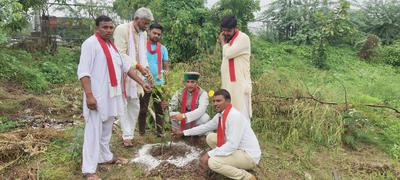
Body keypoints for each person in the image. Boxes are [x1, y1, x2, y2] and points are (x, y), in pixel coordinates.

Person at [77, 15, 151, 180]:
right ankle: (89, 170)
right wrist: (89, 96)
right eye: (105, 27)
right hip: (97, 96)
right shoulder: (90, 44)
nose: (109, 30)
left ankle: (106, 157)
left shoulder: (112, 46)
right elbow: (83, 72)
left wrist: (142, 82)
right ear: (97, 28)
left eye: (111, 27)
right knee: (93, 131)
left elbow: (126, 67)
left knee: (106, 129)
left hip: (112, 95)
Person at [172, 89, 260, 180]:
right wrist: (184, 132)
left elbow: (232, 145)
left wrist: (209, 154)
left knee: (213, 162)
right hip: (237, 148)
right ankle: (228, 162)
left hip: (248, 156)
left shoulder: (234, 116)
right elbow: (205, 127)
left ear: (228, 101)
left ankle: (247, 177)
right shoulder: (221, 115)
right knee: (210, 137)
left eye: (218, 101)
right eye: (213, 101)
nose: (215, 103)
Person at [113, 7, 154, 146]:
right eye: (145, 23)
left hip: (137, 74)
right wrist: (137, 66)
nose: (147, 26)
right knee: (124, 104)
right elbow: (120, 54)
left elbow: (143, 54)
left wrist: (146, 69)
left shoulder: (143, 34)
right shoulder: (122, 29)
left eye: (148, 23)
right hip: (123, 73)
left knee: (135, 105)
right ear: (137, 19)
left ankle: (126, 131)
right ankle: (127, 136)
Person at [138, 23, 169, 136]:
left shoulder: (163, 49)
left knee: (159, 109)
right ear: (149, 32)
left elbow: (166, 66)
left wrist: (166, 76)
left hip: (159, 83)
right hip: (143, 82)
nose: (156, 35)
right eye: (154, 33)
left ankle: (160, 133)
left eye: (159, 34)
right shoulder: (141, 47)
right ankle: (141, 133)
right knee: (143, 109)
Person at [218, 15, 252, 119]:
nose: (226, 33)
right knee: (229, 115)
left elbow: (228, 53)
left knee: (241, 116)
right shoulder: (230, 42)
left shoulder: (243, 38)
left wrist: (223, 43)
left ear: (235, 28)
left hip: (240, 84)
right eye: (224, 31)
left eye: (229, 31)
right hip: (228, 84)